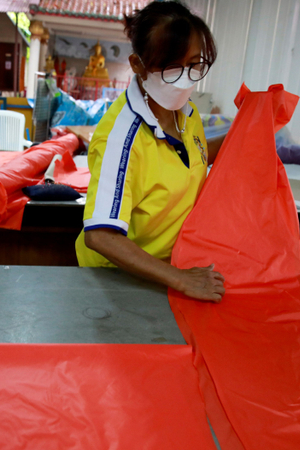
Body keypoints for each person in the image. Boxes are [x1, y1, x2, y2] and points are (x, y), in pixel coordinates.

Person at [75, 1, 226, 302]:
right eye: (171, 66)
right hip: (116, 278)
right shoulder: (120, 138)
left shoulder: (187, 113)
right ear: (137, 64)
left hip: (168, 269)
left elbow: (190, 158)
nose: (185, 78)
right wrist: (181, 279)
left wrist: (247, 132)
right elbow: (101, 235)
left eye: (194, 64)